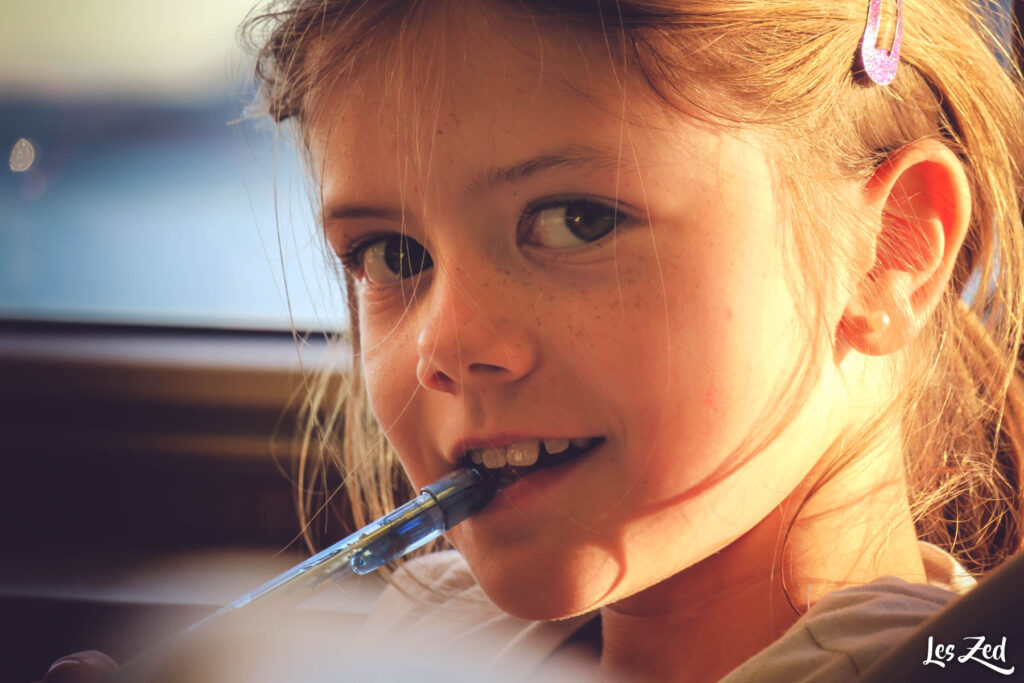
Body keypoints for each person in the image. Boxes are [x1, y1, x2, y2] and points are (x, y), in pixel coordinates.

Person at [43, 0, 1024, 680]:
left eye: (576, 221)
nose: (445, 343)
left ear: (889, 251)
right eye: (391, 254)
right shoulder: (440, 612)